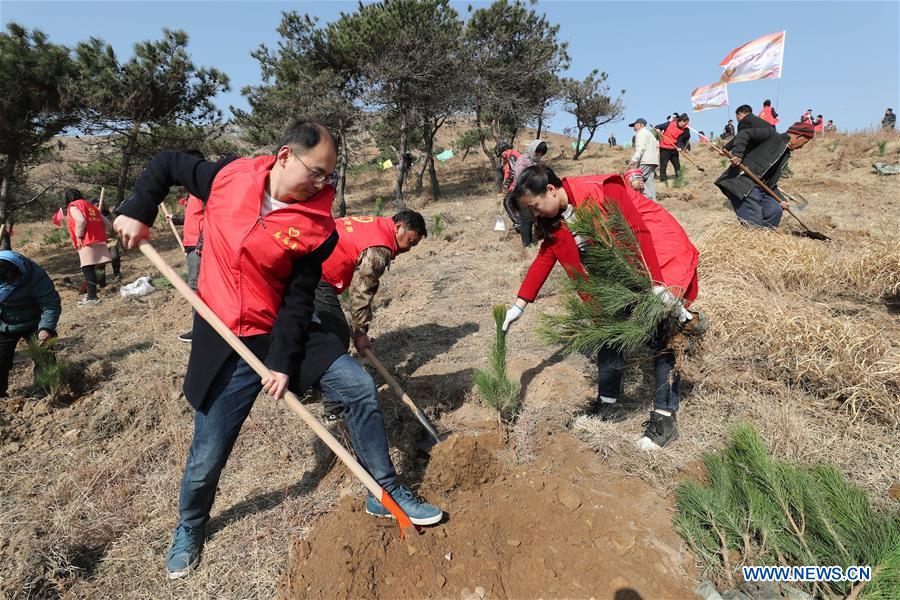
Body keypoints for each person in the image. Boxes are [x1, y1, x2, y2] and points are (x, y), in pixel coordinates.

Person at [113, 118, 443, 580]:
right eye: (318, 172)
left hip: (281, 328)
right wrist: (139, 207)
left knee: (358, 386)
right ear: (285, 156)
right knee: (209, 450)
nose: (323, 184)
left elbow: (298, 299)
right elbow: (168, 164)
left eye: (330, 176)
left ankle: (383, 490)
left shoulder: (317, 226)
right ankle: (190, 526)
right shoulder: (230, 178)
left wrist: (283, 363)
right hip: (225, 333)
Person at [500, 165, 700, 450]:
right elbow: (545, 259)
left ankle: (664, 419)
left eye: (534, 206)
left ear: (550, 190)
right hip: (616, 276)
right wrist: (519, 306)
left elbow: (638, 231)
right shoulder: (557, 219)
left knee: (662, 335)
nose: (535, 214)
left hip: (654, 257)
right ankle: (609, 405)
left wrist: (655, 282)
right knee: (608, 333)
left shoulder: (604, 189)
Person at [316, 210, 427, 353]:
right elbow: (361, 290)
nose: (408, 248)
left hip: (308, 261)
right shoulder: (380, 247)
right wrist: (360, 333)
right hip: (317, 277)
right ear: (399, 226)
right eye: (410, 241)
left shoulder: (378, 224)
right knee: (337, 336)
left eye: (414, 245)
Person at [715, 121, 815, 229]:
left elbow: (770, 182)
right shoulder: (771, 134)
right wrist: (737, 154)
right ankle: (755, 238)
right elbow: (744, 133)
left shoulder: (785, 154)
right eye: (804, 143)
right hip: (743, 182)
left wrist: (781, 199)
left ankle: (766, 240)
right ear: (799, 136)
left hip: (761, 188)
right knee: (754, 223)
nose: (802, 147)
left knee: (775, 210)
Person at [0, 251, 61, 398]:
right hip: (4, 323)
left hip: (34, 322)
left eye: (14, 281)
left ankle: (42, 394)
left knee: (44, 356)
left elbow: (51, 304)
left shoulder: (34, 275)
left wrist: (45, 328)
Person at [168, 181, 206, 343]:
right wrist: (175, 218)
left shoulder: (201, 192)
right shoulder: (191, 195)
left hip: (198, 246)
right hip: (192, 244)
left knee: (196, 286)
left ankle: (200, 330)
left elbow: (212, 217)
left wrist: (202, 242)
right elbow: (193, 218)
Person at [65, 189, 112, 306]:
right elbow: (107, 223)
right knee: (96, 267)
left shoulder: (74, 206)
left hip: (87, 240)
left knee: (87, 268)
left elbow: (80, 221)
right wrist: (103, 233)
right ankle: (94, 292)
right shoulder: (90, 206)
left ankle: (92, 296)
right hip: (99, 239)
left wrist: (79, 236)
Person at [511, 140, 548, 246]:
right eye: (538, 152)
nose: (539, 155)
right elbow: (519, 177)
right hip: (522, 193)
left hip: (536, 194)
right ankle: (526, 244)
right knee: (526, 218)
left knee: (536, 217)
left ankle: (538, 237)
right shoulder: (522, 160)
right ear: (533, 149)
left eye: (542, 153)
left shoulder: (539, 162)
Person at [627, 118, 659, 201]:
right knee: (649, 183)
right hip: (653, 161)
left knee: (635, 180)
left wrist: (634, 159)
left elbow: (640, 148)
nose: (633, 127)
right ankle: (654, 203)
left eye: (635, 125)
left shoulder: (641, 133)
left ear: (640, 125)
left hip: (646, 160)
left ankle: (648, 198)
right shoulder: (650, 134)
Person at [655, 114, 690, 182]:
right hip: (664, 148)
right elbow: (658, 126)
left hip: (674, 149)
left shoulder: (683, 130)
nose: (685, 125)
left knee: (677, 164)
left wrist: (679, 147)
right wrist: (658, 129)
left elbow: (680, 140)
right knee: (663, 164)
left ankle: (679, 176)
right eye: (685, 123)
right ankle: (663, 179)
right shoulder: (669, 124)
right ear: (682, 121)